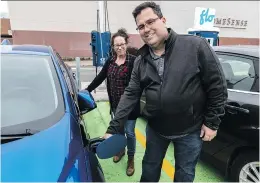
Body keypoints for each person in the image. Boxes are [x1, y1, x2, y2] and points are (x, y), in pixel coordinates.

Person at [103, 2, 228, 182]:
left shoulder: (195, 46)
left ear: (163, 20)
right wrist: (113, 128)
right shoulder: (141, 60)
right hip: (156, 130)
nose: (146, 29)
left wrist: (212, 122)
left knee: (184, 175)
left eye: (150, 22)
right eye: (140, 26)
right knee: (149, 171)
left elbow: (217, 86)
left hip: (190, 131)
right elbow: (131, 93)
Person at [86, 28, 139, 176]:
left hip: (130, 108)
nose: (120, 47)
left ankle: (131, 159)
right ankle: (120, 149)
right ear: (113, 47)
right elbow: (100, 77)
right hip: (115, 105)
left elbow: (138, 86)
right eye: (117, 45)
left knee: (130, 133)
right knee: (119, 131)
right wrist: (87, 90)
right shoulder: (110, 61)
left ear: (126, 44)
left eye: (122, 44)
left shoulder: (133, 61)